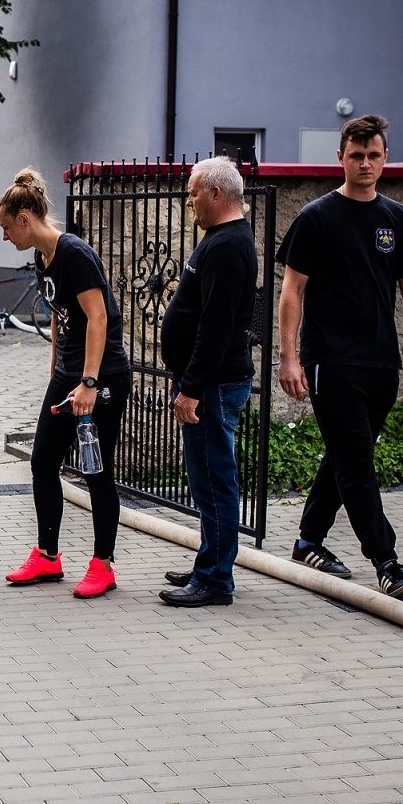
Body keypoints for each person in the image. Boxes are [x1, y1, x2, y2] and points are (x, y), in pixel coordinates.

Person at [277, 114, 403, 598]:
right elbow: (292, 291)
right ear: (340, 158)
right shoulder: (316, 217)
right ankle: (387, 560)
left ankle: (308, 539)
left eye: (373, 155)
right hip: (330, 363)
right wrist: (288, 358)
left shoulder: (397, 218)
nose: (365, 163)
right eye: (356, 155)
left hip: (382, 363)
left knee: (346, 454)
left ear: (384, 158)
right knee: (357, 462)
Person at [0, 168, 132, 598]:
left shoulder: (73, 252)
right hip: (67, 377)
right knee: (42, 462)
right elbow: (60, 316)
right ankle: (48, 556)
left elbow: (98, 317)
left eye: (5, 227)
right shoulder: (41, 257)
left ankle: (103, 564)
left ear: (24, 218)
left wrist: (89, 381)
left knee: (96, 471)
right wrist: (57, 372)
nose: (4, 237)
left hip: (102, 375)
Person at [157, 158, 258, 608]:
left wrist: (192, 388)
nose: (189, 200)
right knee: (205, 481)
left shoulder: (227, 247)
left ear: (217, 194)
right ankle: (209, 562)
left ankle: (216, 579)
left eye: (194, 192)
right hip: (208, 384)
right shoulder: (222, 241)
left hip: (212, 388)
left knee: (215, 482)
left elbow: (216, 328)